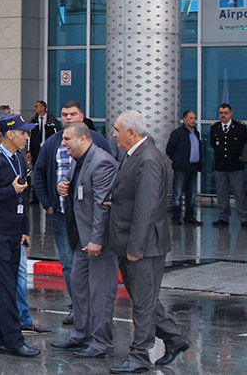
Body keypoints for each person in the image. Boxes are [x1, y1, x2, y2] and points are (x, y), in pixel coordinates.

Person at [108, 111, 189, 373]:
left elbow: (146, 207)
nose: (114, 135)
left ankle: (140, 355)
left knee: (143, 303)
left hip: (144, 245)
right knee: (147, 299)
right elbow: (132, 197)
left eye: (118, 130)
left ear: (132, 133)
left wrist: (136, 247)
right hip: (132, 240)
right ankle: (176, 338)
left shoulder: (149, 159)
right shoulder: (135, 155)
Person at [33, 100, 112, 326]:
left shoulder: (97, 143)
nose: (68, 118)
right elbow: (39, 172)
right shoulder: (53, 142)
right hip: (61, 214)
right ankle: (76, 308)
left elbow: (107, 180)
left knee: (92, 266)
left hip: (88, 217)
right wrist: (48, 201)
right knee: (69, 263)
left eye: (73, 114)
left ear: (82, 116)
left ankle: (92, 314)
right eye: (64, 114)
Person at [0, 109, 49, 335]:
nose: (27, 138)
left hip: (14, 229)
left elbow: (22, 197)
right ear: (10, 134)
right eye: (23, 134)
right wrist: (9, 190)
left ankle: (9, 325)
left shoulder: (20, 160)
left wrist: (25, 228)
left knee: (15, 278)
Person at [51, 122, 119, 359]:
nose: (63, 143)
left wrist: (96, 240)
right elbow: (74, 185)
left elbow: (103, 206)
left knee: (100, 293)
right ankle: (82, 334)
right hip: (80, 238)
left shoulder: (101, 162)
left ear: (82, 139)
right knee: (79, 287)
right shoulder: (79, 160)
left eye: (67, 139)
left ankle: (102, 343)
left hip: (97, 241)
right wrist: (62, 187)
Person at [208, 103, 247, 228]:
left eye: (225, 113)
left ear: (231, 113)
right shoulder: (215, 128)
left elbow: (245, 145)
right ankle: (223, 218)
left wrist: (242, 161)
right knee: (222, 193)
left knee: (239, 193)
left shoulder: (240, 127)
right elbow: (214, 144)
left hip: (236, 166)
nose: (223, 115)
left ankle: (243, 218)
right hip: (221, 166)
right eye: (221, 113)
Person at [165, 111, 202, 225]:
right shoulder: (178, 133)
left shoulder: (196, 133)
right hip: (181, 167)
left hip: (193, 167)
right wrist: (178, 160)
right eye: (191, 118)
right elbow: (169, 149)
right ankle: (176, 217)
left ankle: (189, 216)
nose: (193, 121)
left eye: (194, 118)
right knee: (178, 192)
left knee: (192, 193)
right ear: (184, 119)